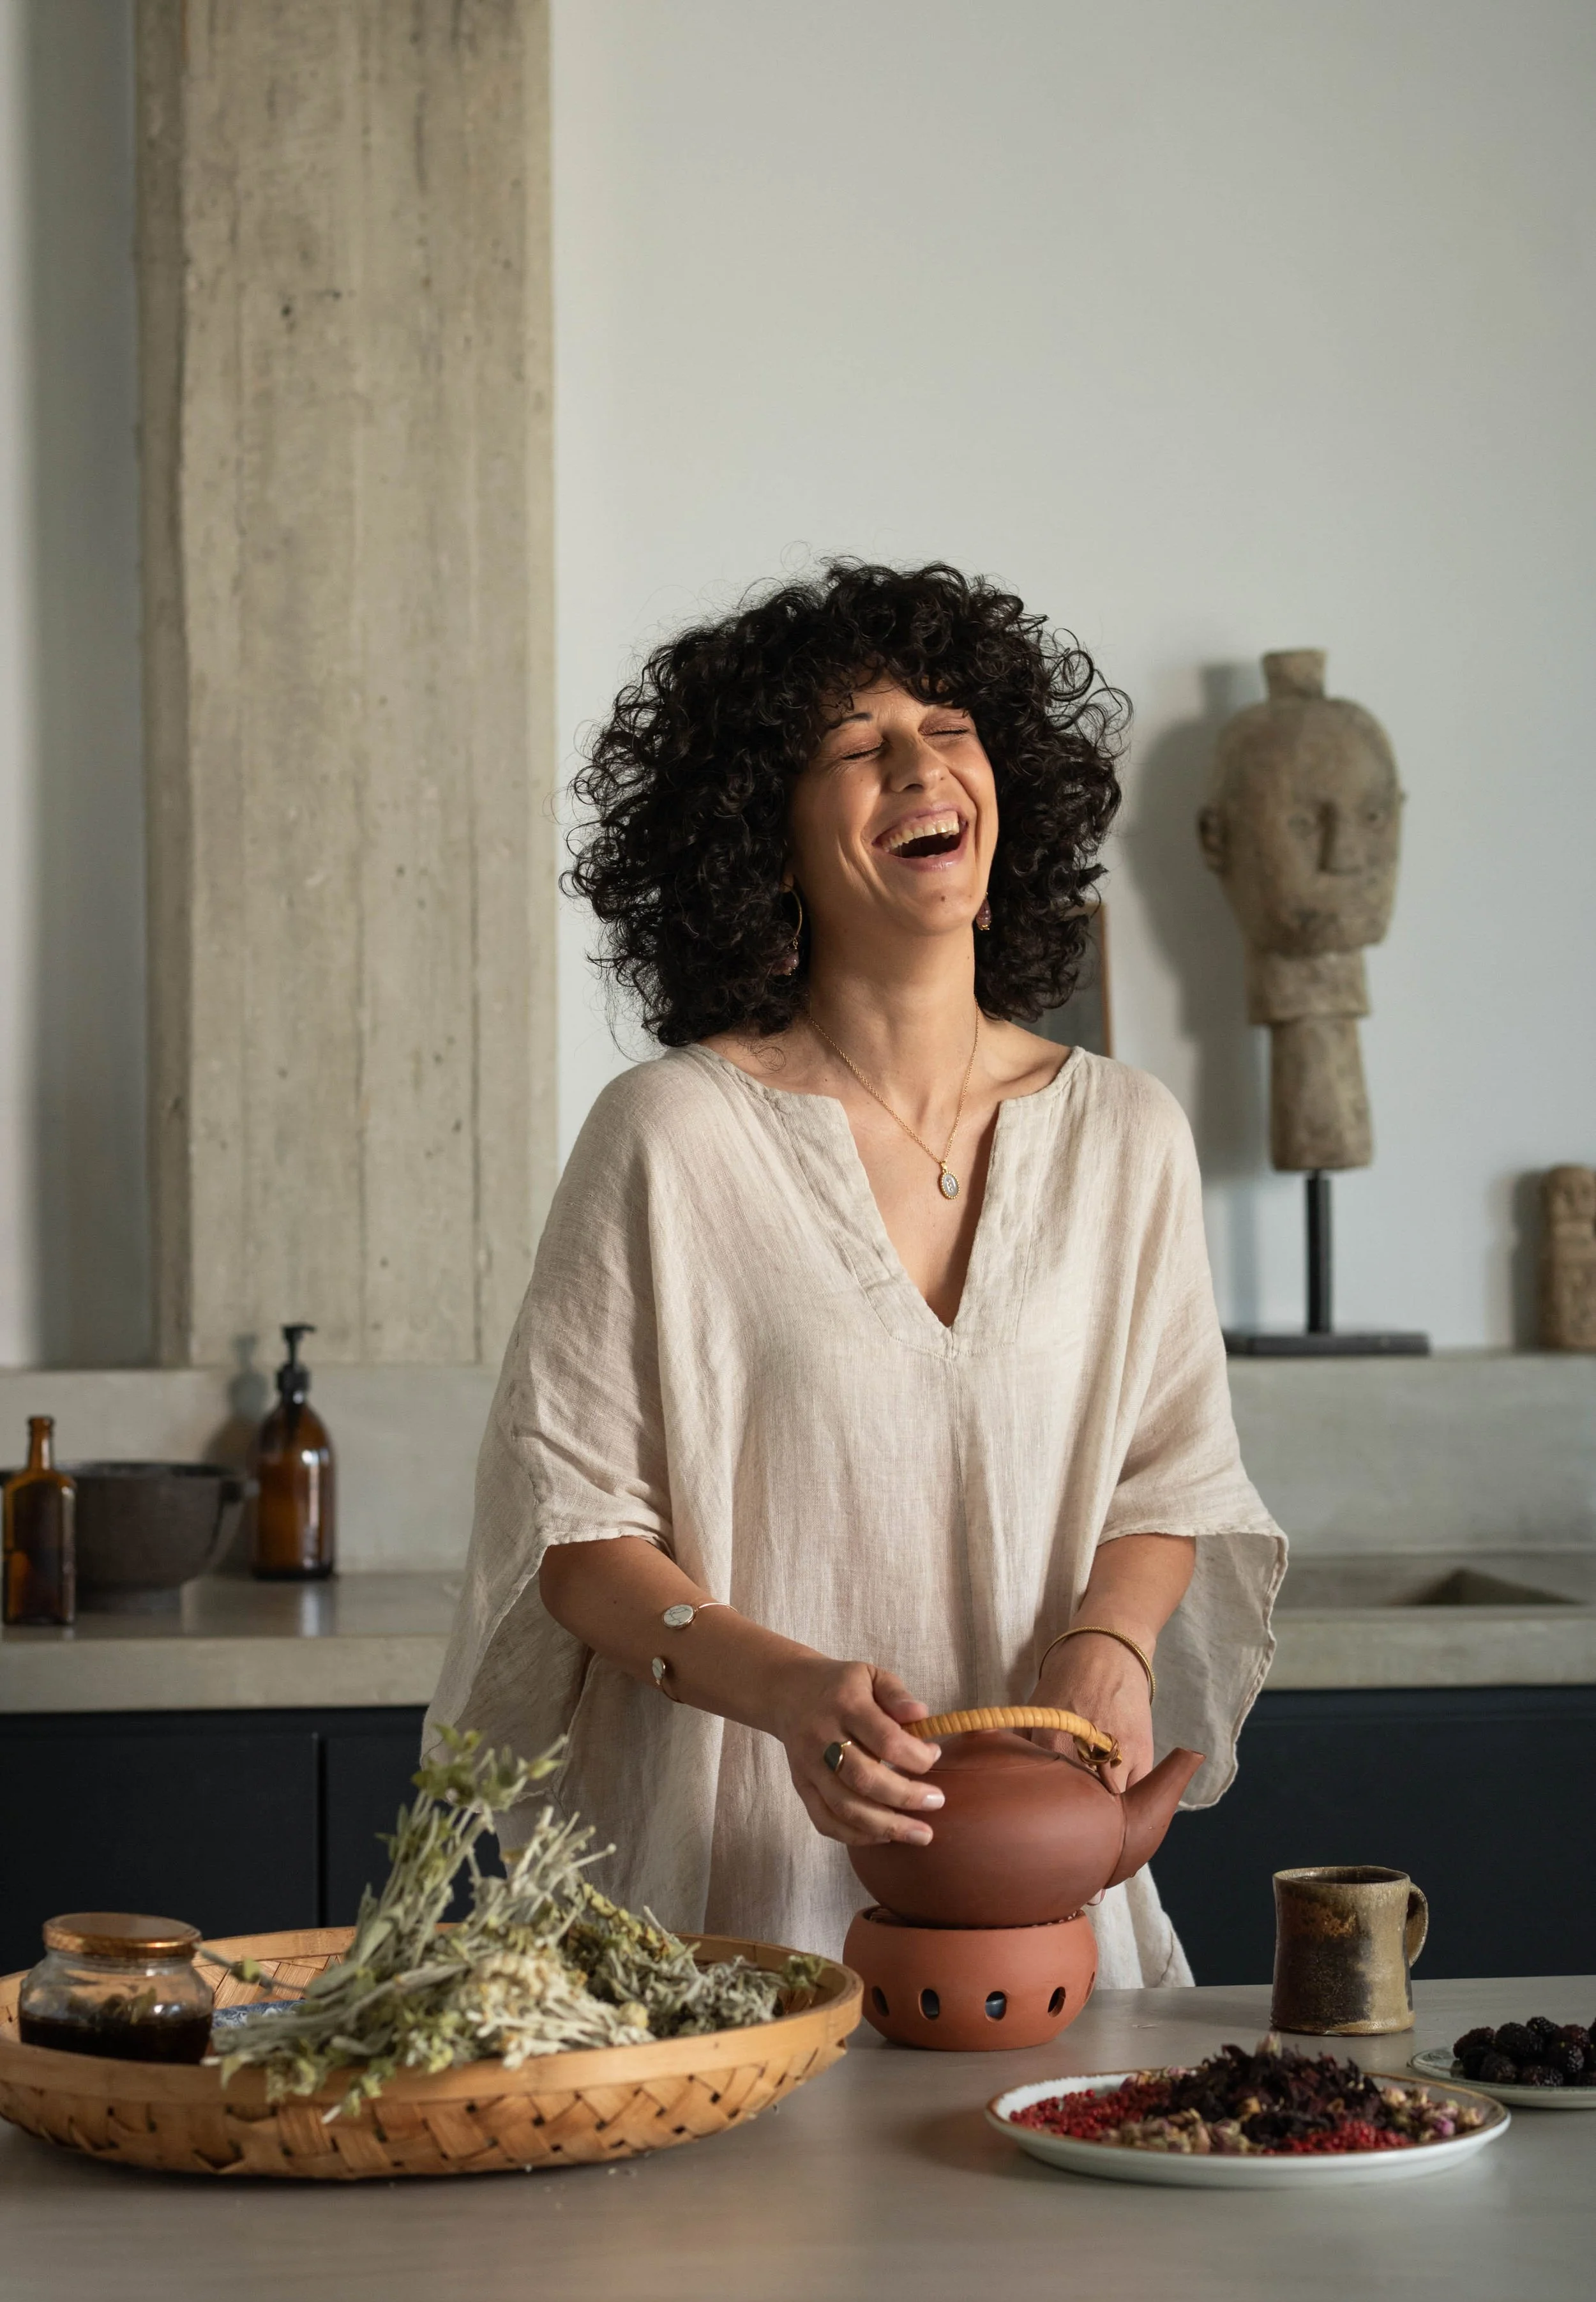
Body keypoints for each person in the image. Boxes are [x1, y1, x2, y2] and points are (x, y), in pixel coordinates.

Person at [426, 561, 1284, 1985]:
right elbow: (571, 1538)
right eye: (853, 744)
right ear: (761, 845)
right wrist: (789, 1699)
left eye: (948, 726)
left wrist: (1111, 1642)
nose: (918, 763)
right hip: (731, 1907)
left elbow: (1169, 1477)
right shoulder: (672, 1136)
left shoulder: (1126, 1134)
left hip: (1049, 1914)